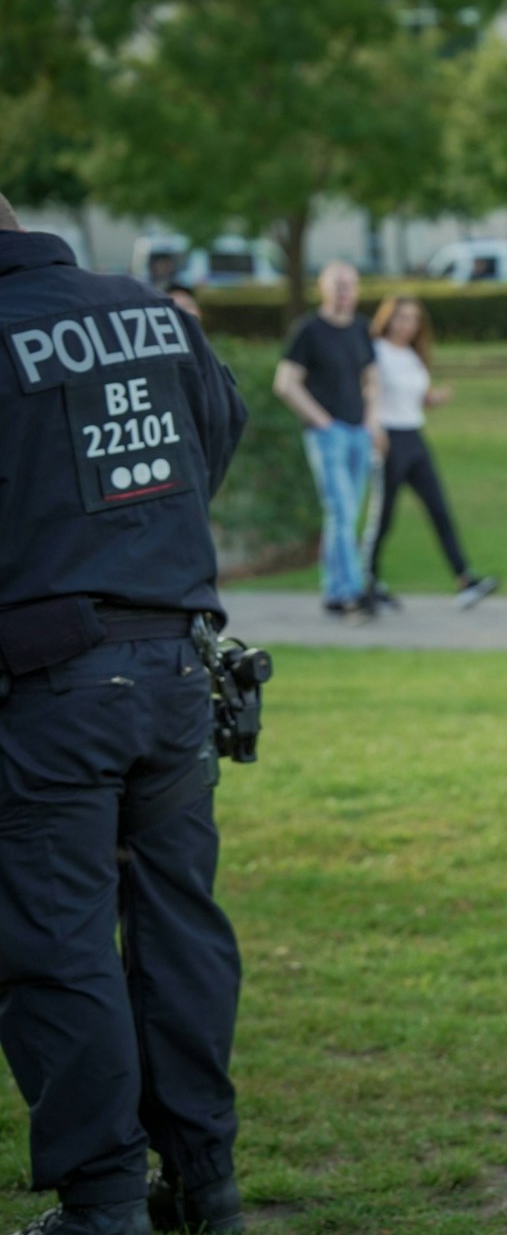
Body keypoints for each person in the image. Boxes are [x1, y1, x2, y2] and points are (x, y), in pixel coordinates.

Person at [0, 192, 248, 1235]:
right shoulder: (152, 312)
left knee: (58, 945)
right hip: (177, 668)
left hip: (49, 686)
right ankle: (204, 1182)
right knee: (179, 930)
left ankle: (103, 1204)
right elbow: (214, 436)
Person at [360, 295, 500, 610]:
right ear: (388, 319)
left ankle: (464, 578)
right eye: (401, 318)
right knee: (383, 516)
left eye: (413, 319)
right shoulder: (376, 352)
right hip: (389, 437)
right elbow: (369, 393)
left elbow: (416, 397)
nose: (407, 325)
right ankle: (367, 580)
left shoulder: (412, 355)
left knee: (439, 508)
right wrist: (375, 429)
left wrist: (434, 399)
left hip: (415, 436)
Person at [272, 261, 380, 623]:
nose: (344, 291)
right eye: (337, 284)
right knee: (342, 511)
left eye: (350, 284)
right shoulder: (309, 330)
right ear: (323, 288)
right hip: (328, 436)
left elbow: (371, 377)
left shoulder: (360, 328)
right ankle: (353, 592)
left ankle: (333, 591)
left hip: (359, 432)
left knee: (344, 516)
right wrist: (322, 421)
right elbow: (285, 383)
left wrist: (371, 418)